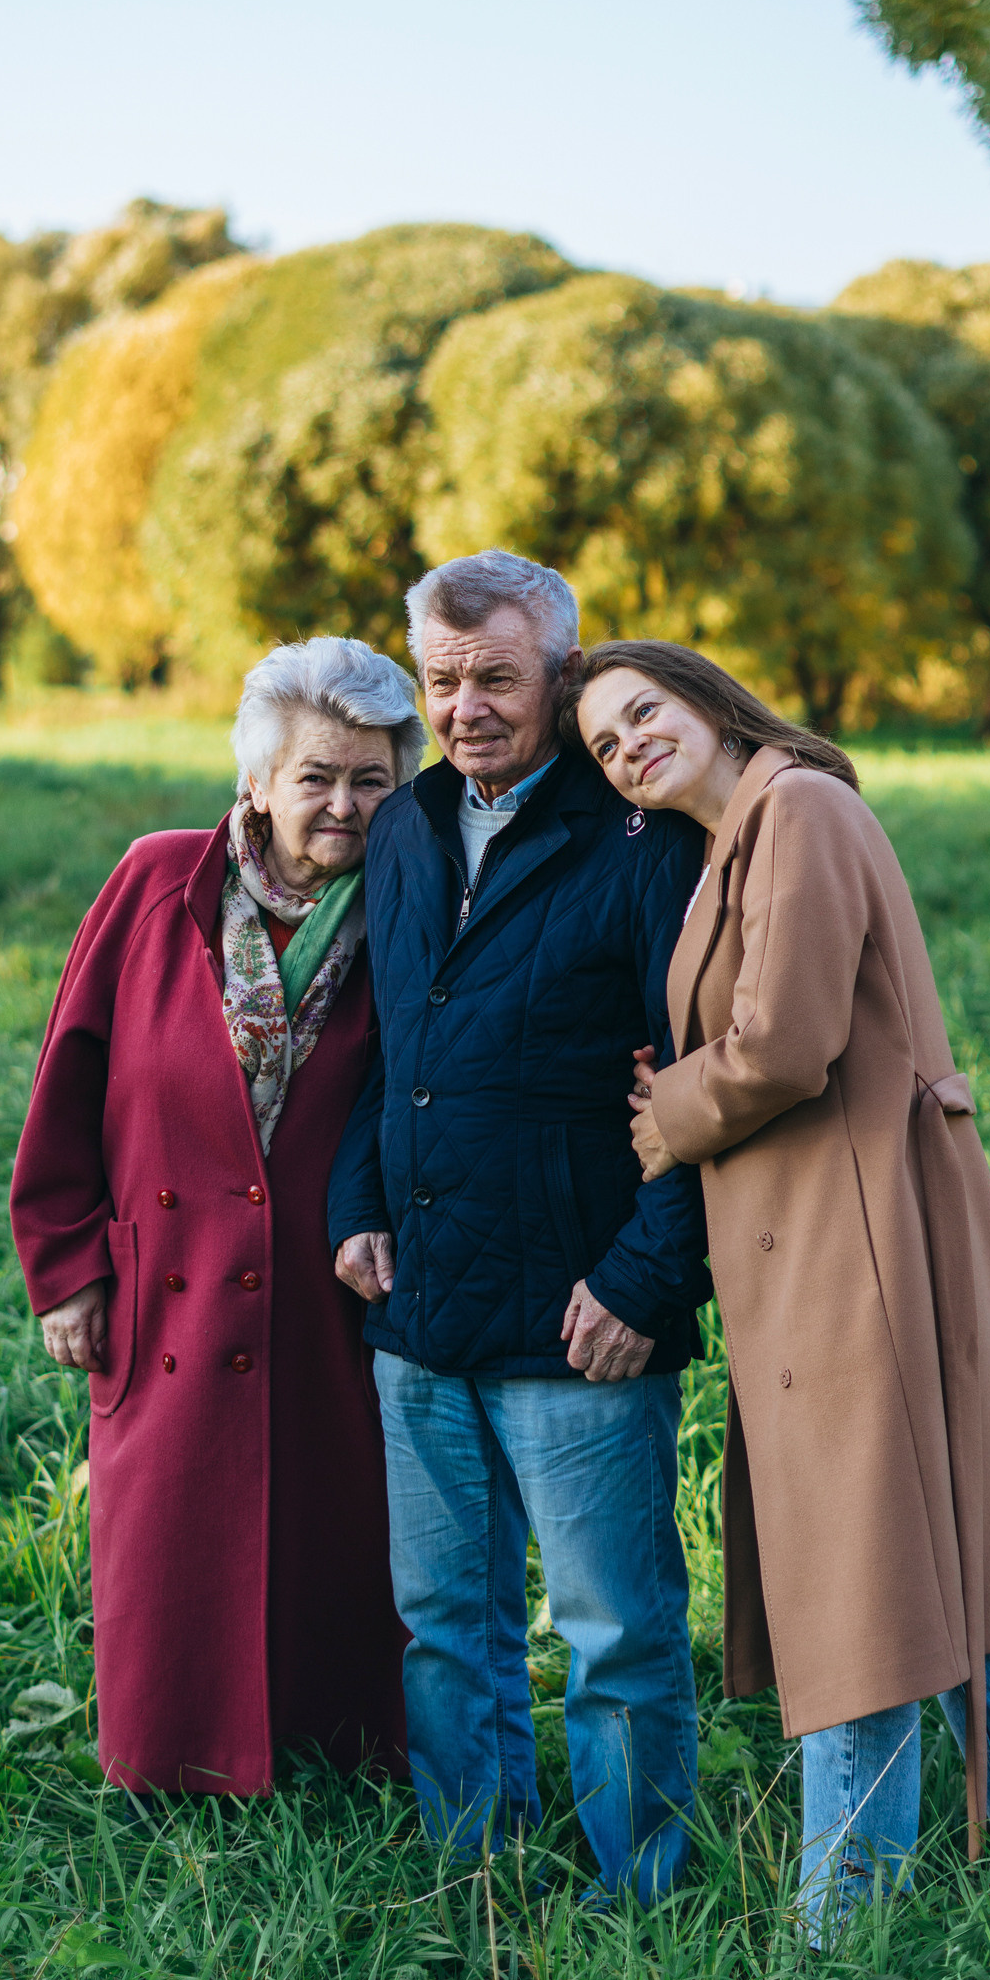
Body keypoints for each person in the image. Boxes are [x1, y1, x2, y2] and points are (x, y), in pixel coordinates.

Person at [572, 639, 990, 1929]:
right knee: (964, 1595)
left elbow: (787, 1045)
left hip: (859, 1244)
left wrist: (666, 1114)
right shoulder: (735, 837)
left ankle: (836, 1947)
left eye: (642, 712)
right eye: (603, 745)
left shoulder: (793, 806)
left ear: (706, 698)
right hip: (834, 1235)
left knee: (860, 1598)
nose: (627, 744)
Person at [328, 552, 712, 1904]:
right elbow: (384, 1045)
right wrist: (355, 1207)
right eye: (442, 680)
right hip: (420, 1314)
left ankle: (644, 1892)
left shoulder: (647, 842)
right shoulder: (404, 830)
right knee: (443, 1627)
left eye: (496, 677)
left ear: (561, 673)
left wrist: (649, 1282)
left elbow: (705, 1078)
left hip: (586, 1318)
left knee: (614, 1634)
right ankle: (471, 1881)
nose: (466, 707)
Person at [9, 636, 422, 1798]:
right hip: (167, 1273)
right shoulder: (154, 883)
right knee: (170, 1538)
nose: (341, 805)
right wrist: (68, 1267)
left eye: (371, 780)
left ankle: (337, 1762)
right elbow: (68, 1079)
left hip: (326, 1286)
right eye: (315, 778)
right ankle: (165, 1764)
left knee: (333, 1531)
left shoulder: (410, 909)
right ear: (257, 782)